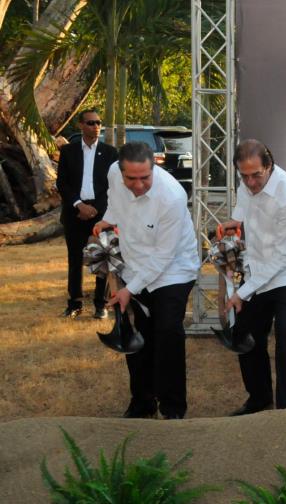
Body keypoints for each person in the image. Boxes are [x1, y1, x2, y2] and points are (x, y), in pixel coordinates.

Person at [95, 142, 199, 419]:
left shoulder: (172, 197)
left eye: (145, 178)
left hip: (174, 270)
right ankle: (142, 403)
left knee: (167, 334)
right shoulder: (113, 173)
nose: (139, 185)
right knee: (139, 335)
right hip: (134, 265)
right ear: (121, 170)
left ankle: (173, 408)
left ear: (155, 168)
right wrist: (106, 221)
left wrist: (130, 290)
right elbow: (114, 202)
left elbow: (163, 255)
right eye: (132, 178)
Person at [221, 140, 286, 416]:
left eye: (256, 175)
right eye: (244, 176)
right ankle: (259, 399)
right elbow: (243, 209)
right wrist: (234, 223)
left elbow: (282, 258)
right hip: (258, 266)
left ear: (269, 166)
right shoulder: (247, 181)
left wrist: (243, 292)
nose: (250, 182)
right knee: (246, 333)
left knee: (285, 333)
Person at [55, 108, 118, 319]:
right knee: (75, 260)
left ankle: (101, 304)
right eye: (91, 123)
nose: (96, 126)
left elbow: (112, 186)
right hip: (75, 213)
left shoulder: (110, 153)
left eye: (99, 122)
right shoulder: (68, 151)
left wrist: (95, 209)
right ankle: (74, 303)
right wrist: (78, 205)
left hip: (100, 214)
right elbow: (61, 183)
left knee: (102, 259)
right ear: (81, 125)